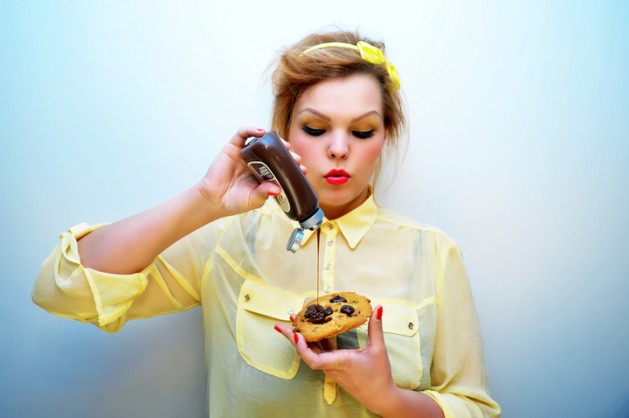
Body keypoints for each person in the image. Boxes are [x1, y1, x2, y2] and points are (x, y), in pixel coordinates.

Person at [32, 29, 501, 417]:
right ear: (284, 132)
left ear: (386, 136)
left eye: (362, 131)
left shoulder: (434, 252)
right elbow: (63, 290)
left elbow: (476, 408)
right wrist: (204, 200)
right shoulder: (227, 237)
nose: (339, 148)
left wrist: (388, 399)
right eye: (316, 128)